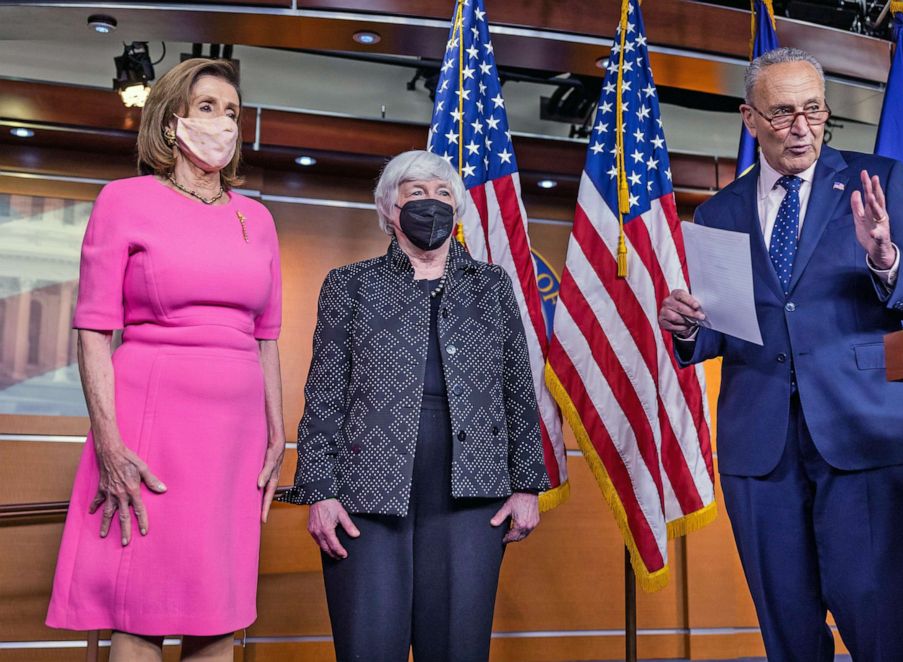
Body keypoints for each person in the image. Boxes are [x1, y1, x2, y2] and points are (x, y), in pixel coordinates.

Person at [659, 48, 903, 661]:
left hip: (864, 437)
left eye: (813, 110)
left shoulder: (879, 180)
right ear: (750, 119)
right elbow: (726, 328)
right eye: (783, 112)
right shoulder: (720, 211)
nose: (801, 127)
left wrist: (885, 259)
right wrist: (687, 327)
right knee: (788, 632)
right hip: (761, 450)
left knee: (880, 627)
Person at [46, 58, 285, 662]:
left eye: (232, 112)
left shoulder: (256, 219)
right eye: (207, 107)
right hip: (150, 421)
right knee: (141, 609)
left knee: (219, 611)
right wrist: (108, 441)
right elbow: (94, 330)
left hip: (235, 436)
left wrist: (278, 433)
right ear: (171, 118)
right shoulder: (124, 200)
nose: (223, 123)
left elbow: (267, 335)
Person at [279, 149, 549, 662]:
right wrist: (319, 491)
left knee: (456, 648)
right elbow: (324, 394)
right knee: (368, 646)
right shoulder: (350, 284)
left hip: (473, 497)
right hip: (365, 495)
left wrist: (527, 485)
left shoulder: (491, 286)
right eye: (417, 193)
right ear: (389, 209)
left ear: (459, 208)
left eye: (444, 193)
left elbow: (518, 387)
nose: (432, 204)